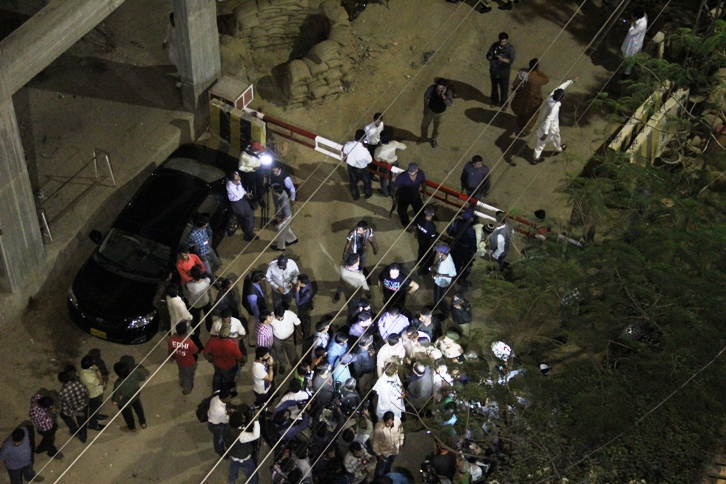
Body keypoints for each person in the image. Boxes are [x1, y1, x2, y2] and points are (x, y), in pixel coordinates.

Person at [532, 77, 578, 163]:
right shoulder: (555, 107)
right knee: (555, 137)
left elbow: (560, 87)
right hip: (551, 127)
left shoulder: (551, 96)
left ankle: (536, 157)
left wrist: (571, 81)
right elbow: (549, 119)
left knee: (540, 142)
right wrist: (546, 132)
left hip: (543, 124)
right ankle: (558, 149)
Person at [511, 58, 550, 135]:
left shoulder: (523, 72)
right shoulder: (537, 79)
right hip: (533, 100)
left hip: (521, 96)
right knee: (532, 115)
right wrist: (539, 72)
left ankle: (520, 124)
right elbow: (546, 79)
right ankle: (525, 130)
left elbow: (515, 83)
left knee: (521, 111)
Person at [204, 322, 244, 393]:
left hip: (217, 364)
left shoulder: (212, 341)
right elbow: (239, 357)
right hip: (230, 366)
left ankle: (215, 391)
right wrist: (242, 362)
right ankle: (226, 392)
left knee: (217, 376)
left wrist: (211, 360)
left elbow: (205, 353)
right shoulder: (233, 345)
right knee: (228, 380)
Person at [225, 412, 260, 484]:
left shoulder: (227, 427)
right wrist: (256, 420)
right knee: (252, 475)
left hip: (233, 454)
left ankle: (232, 481)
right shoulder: (241, 436)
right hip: (244, 459)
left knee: (233, 470)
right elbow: (256, 435)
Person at [111, 361, 147, 432]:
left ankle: (132, 427)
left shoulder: (118, 384)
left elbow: (114, 402)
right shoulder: (134, 373)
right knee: (138, 409)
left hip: (124, 402)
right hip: (135, 396)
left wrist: (117, 399)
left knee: (127, 415)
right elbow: (143, 378)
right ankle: (143, 423)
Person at [446, 209, 477, 288]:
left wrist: (454, 236)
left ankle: (453, 274)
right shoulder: (470, 229)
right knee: (468, 265)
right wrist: (473, 250)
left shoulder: (456, 222)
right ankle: (461, 279)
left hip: (456, 245)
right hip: (465, 248)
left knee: (456, 261)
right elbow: (473, 240)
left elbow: (449, 230)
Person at [419, 78, 453, 147]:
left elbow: (449, 104)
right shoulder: (432, 88)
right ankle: (423, 138)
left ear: (444, 87)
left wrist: (443, 95)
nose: (438, 89)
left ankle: (433, 139)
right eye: (438, 87)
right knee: (424, 125)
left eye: (440, 88)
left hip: (440, 113)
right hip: (430, 110)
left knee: (437, 128)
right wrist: (425, 108)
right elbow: (426, 97)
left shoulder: (448, 92)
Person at [57, 370, 90, 443]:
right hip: (83, 406)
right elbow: (87, 394)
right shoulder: (79, 384)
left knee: (64, 415)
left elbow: (66, 410)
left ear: (61, 381)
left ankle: (75, 430)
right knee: (83, 423)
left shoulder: (62, 393)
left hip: (74, 408)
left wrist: (76, 413)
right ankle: (83, 438)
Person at [486, 32, 515, 109]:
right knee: (494, 87)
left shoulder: (510, 48)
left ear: (507, 40)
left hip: (504, 72)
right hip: (494, 71)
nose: (503, 43)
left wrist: (502, 59)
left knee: (504, 89)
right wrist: (492, 57)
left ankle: (504, 104)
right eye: (501, 41)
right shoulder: (494, 46)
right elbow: (488, 55)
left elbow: (511, 60)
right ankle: (494, 101)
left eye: (504, 41)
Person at [227, 170, 259, 241]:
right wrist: (239, 187)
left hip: (242, 200)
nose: (238, 177)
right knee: (243, 219)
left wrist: (246, 193)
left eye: (237, 175)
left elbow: (241, 190)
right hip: (237, 203)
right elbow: (238, 194)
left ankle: (249, 233)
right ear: (233, 180)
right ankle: (247, 235)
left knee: (250, 215)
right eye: (236, 177)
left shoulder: (236, 179)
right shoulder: (230, 186)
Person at [371, 411, 404, 478]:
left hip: (394, 450)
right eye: (386, 422)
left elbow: (401, 431)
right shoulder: (379, 428)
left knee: (389, 464)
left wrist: (401, 443)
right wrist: (378, 454)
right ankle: (378, 480)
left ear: (393, 420)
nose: (387, 424)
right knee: (380, 468)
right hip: (384, 452)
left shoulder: (398, 421)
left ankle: (386, 476)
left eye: (389, 422)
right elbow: (375, 442)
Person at [168, 322, 199, 395]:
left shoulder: (172, 340)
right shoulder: (189, 342)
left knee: (181, 372)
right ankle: (187, 390)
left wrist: (171, 357)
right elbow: (196, 351)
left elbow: (170, 350)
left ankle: (182, 382)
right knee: (188, 377)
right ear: (185, 331)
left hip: (179, 361)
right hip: (189, 363)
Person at [187, 213, 221, 278]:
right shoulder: (193, 234)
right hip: (202, 253)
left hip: (208, 248)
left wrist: (209, 240)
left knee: (217, 263)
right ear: (203, 224)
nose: (207, 224)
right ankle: (212, 279)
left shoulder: (204, 228)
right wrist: (195, 246)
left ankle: (211, 274)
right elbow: (188, 243)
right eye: (206, 223)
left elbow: (210, 233)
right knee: (208, 270)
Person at [79, 355, 108, 431]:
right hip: (94, 395)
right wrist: (97, 370)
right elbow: (101, 382)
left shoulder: (85, 370)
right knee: (93, 410)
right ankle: (93, 424)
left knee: (98, 406)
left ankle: (97, 415)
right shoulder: (88, 377)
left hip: (97, 392)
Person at [29, 394, 62, 460]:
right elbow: (41, 423)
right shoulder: (34, 413)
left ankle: (41, 449)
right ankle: (51, 452)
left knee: (48, 439)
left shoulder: (38, 396)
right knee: (49, 441)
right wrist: (50, 413)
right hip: (45, 429)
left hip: (51, 425)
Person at [343, 129, 373, 200]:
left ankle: (355, 196)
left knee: (353, 181)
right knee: (366, 181)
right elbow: (370, 160)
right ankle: (368, 193)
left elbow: (344, 151)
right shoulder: (364, 150)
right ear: (363, 139)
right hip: (362, 169)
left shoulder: (348, 144)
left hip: (351, 167)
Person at [374, 130, 406, 196]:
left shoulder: (378, 150)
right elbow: (404, 147)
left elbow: (377, 159)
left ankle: (385, 192)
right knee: (393, 178)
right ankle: (391, 191)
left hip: (384, 165)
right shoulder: (394, 143)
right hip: (394, 163)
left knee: (383, 179)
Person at [392, 163, 425, 228]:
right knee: (401, 211)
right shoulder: (402, 177)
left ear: (416, 170)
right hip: (404, 197)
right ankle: (406, 224)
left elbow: (423, 183)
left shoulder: (420, 174)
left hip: (415, 196)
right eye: (409, 173)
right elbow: (396, 187)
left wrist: (424, 193)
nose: (411, 175)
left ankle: (420, 222)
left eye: (412, 173)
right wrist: (394, 196)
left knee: (420, 210)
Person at [271, 306, 301, 374]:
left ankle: (296, 366)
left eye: (281, 318)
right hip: (277, 339)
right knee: (279, 353)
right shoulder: (271, 317)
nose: (280, 320)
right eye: (278, 318)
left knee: (292, 353)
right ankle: (282, 364)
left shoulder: (290, 314)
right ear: (275, 315)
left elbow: (298, 323)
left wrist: (300, 333)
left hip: (289, 338)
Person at [185, 265, 213, 333]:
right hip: (205, 301)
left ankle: (196, 332)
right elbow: (208, 279)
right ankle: (210, 328)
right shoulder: (206, 281)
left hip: (195, 304)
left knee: (196, 320)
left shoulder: (190, 285)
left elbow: (186, 285)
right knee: (208, 316)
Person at [271, 183, 298, 251]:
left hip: (284, 218)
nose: (272, 191)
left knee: (281, 234)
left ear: (276, 192)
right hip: (281, 215)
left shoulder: (284, 202)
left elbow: (286, 216)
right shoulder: (282, 193)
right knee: (286, 229)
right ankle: (292, 239)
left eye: (273, 190)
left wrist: (278, 224)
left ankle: (281, 247)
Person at [432, 245, 457, 318]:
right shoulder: (443, 256)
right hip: (438, 281)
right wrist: (434, 266)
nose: (437, 252)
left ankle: (445, 312)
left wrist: (440, 274)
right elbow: (439, 261)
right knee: (436, 295)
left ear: (442, 253)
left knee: (440, 298)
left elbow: (453, 274)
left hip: (443, 283)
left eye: (439, 251)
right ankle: (436, 306)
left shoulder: (448, 263)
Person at [621, 7, 648, 76]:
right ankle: (624, 68)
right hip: (632, 41)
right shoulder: (643, 17)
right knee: (627, 56)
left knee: (630, 60)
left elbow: (631, 32)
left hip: (634, 44)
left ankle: (626, 74)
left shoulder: (642, 24)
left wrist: (632, 24)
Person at [207, 387, 232, 457]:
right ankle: (220, 451)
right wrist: (230, 415)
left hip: (212, 418)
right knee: (218, 439)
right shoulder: (220, 410)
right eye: (229, 398)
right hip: (216, 425)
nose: (230, 399)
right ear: (224, 399)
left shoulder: (215, 398)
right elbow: (225, 420)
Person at [415, 205, 438, 275]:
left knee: (420, 250)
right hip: (427, 243)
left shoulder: (419, 218)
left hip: (420, 238)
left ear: (425, 212)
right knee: (426, 256)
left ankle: (419, 261)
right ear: (433, 214)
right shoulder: (432, 226)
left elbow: (416, 226)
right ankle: (422, 270)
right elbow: (432, 237)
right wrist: (434, 246)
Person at [294, 274, 315, 340]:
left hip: (304, 307)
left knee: (306, 321)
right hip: (303, 305)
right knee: (301, 317)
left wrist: (297, 291)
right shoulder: (307, 283)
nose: (297, 282)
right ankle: (300, 323)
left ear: (303, 284)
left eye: (298, 282)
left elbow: (298, 303)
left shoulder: (307, 293)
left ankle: (306, 336)